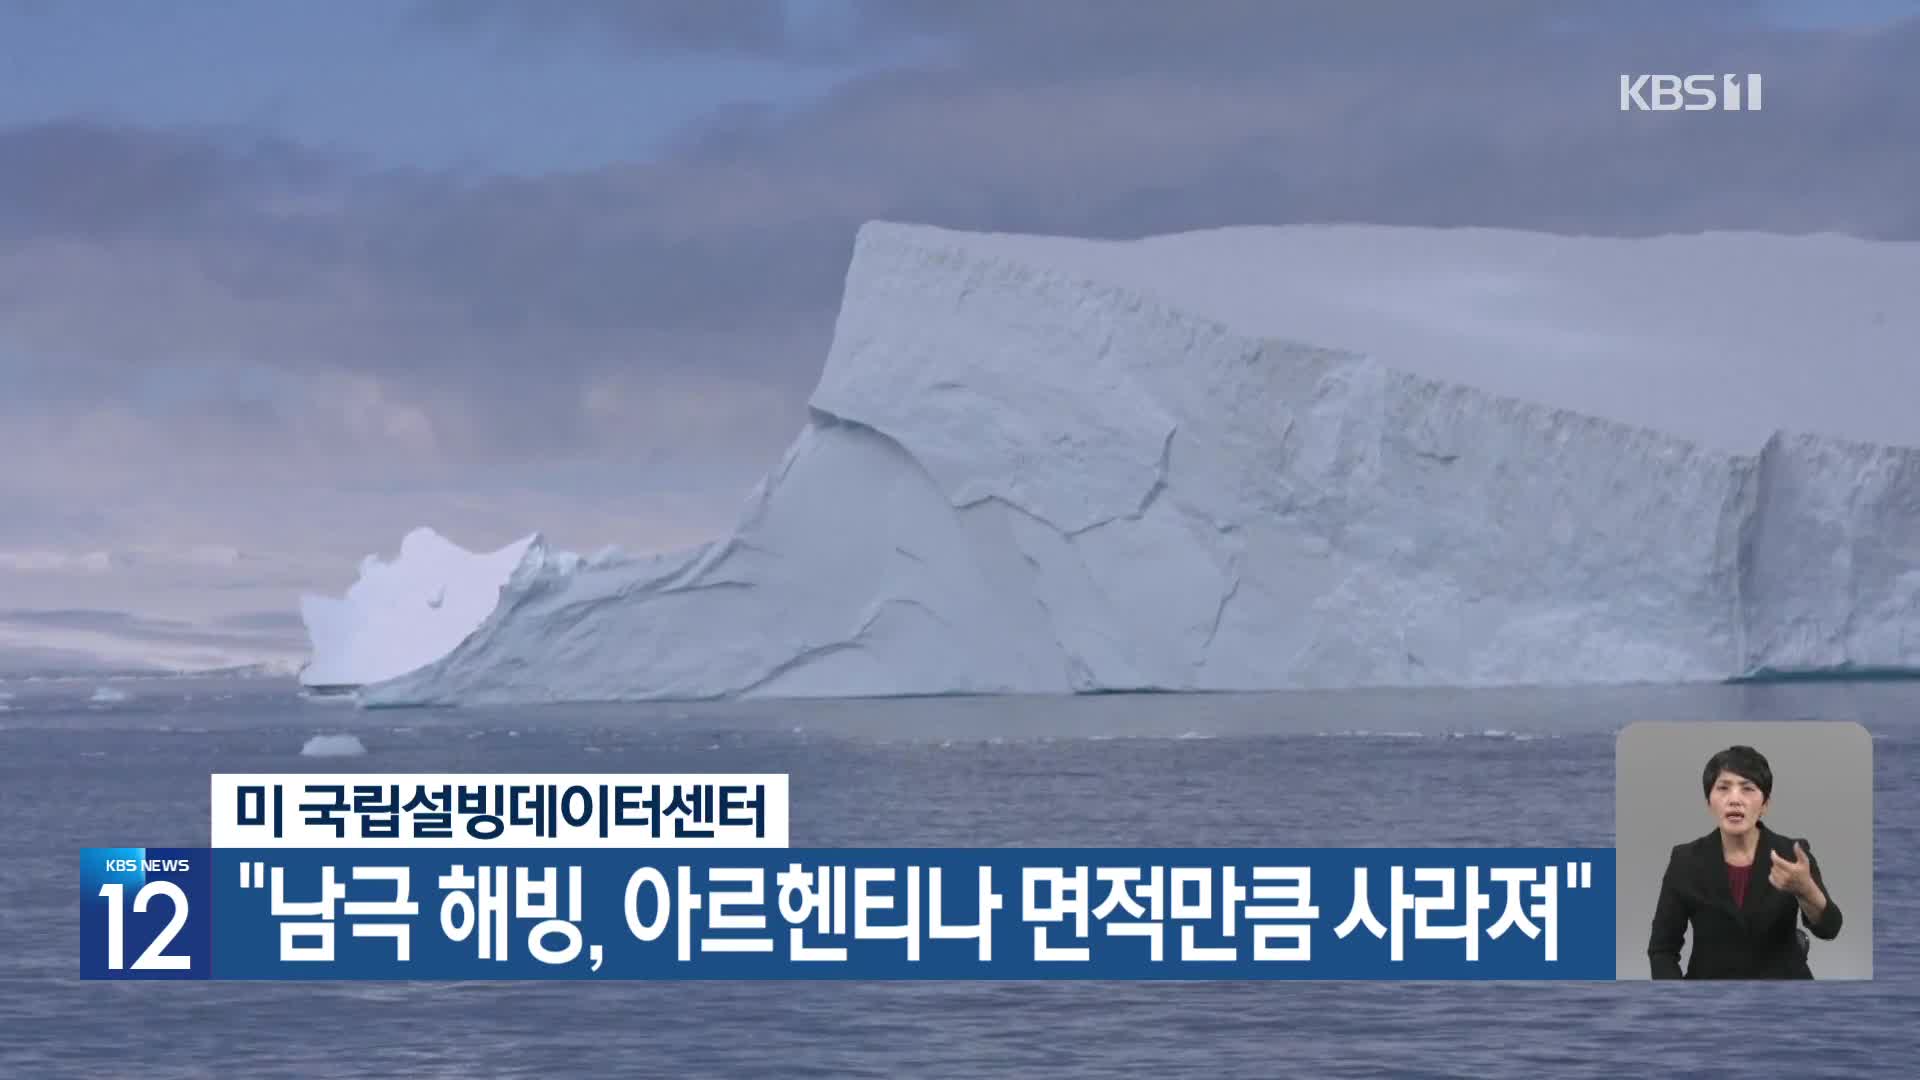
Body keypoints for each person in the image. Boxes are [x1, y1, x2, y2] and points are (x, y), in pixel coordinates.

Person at [1647, 744, 1842, 978]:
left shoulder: (1792, 854)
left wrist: (1806, 891)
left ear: (1765, 805)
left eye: (1747, 789)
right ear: (1709, 802)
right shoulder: (1685, 860)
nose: (1734, 800)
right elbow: (1662, 950)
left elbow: (1830, 929)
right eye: (1723, 788)